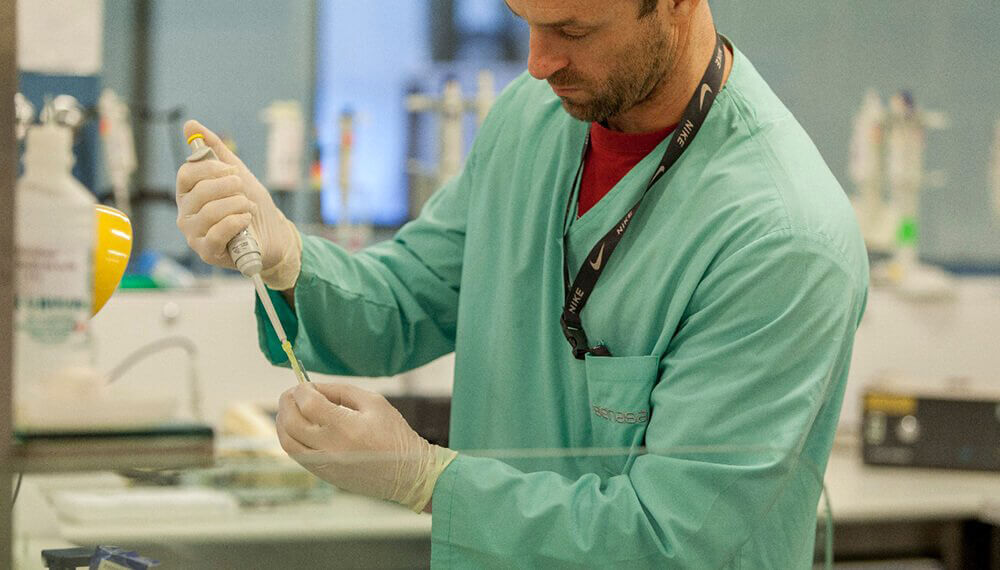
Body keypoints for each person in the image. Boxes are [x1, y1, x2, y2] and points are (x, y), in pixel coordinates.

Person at [175, 0, 868, 567]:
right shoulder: (531, 120)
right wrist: (289, 259)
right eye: (524, 22)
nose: (539, 63)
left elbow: (669, 541)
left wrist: (427, 479)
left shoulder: (781, 239)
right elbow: (410, 300)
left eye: (572, 31)